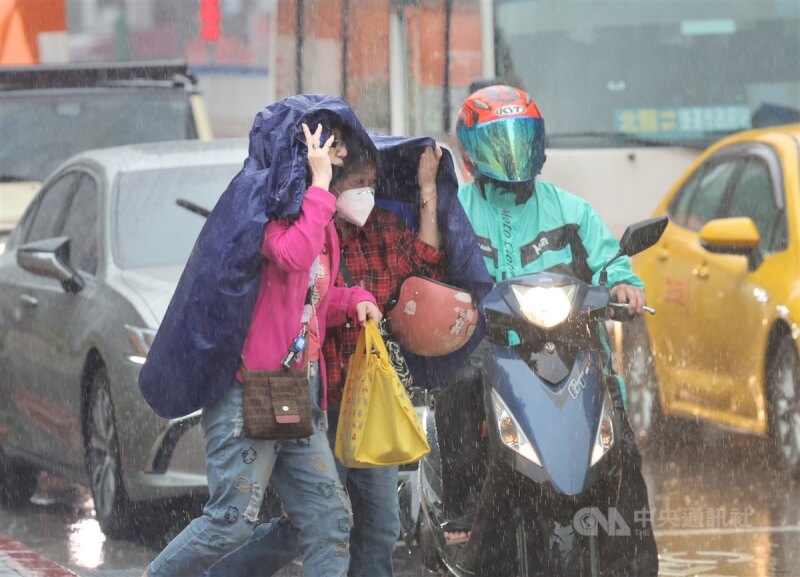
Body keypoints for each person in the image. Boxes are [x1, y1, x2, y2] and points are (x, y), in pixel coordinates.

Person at [138, 98, 382, 577]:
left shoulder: (321, 224)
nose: (344, 179)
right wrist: (319, 184)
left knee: (330, 520)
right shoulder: (262, 212)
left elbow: (308, 300)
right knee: (230, 523)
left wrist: (351, 300)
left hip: (294, 392)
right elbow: (291, 257)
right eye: (339, 166)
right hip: (248, 389)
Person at [436, 84, 658, 574]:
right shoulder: (456, 213)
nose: (512, 153)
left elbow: (612, 263)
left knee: (620, 446)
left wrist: (624, 287)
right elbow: (431, 271)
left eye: (521, 139)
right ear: (471, 151)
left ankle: (630, 557)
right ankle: (464, 507)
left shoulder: (571, 210)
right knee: (458, 382)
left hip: (569, 351)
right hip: (490, 353)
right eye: (499, 142)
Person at [203, 143, 449, 577]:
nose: (367, 194)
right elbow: (296, 273)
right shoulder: (306, 231)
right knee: (294, 525)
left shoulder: (382, 231)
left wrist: (427, 189)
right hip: (309, 395)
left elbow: (426, 268)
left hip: (366, 402)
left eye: (372, 184)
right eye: (358, 184)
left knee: (377, 527)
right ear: (331, 186)